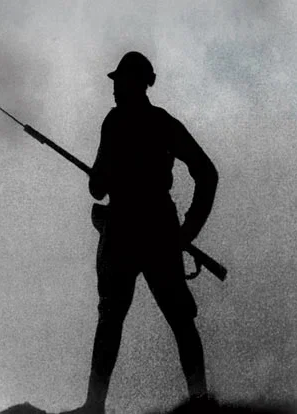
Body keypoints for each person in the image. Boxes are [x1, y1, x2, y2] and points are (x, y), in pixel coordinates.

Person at [68, 51, 219, 414]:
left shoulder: (122, 122)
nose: (114, 88)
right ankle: (196, 401)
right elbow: (206, 173)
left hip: (135, 229)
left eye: (120, 81)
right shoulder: (154, 122)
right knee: (154, 318)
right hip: (148, 228)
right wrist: (187, 231)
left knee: (132, 318)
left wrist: (188, 231)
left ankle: (97, 405)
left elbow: (96, 188)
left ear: (136, 83)